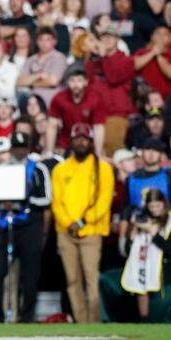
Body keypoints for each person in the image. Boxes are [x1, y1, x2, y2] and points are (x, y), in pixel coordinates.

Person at [51, 124, 115, 324]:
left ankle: (94, 321)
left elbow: (104, 200)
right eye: (77, 139)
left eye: (85, 139)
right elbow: (57, 202)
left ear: (90, 142)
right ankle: (81, 322)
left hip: (91, 231)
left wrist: (82, 221)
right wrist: (69, 223)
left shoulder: (103, 168)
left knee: (91, 278)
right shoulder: (60, 169)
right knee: (72, 280)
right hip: (66, 231)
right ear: (71, 141)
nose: (81, 142)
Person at [0, 130, 51, 323]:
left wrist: (25, 199)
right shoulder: (3, 168)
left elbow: (46, 199)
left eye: (23, 148)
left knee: (30, 274)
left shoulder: (38, 169)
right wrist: (3, 203)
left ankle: (26, 317)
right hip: (8, 223)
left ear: (28, 148)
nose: (20, 151)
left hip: (30, 224)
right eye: (16, 148)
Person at [120, 189, 171, 323]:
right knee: (141, 292)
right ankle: (144, 321)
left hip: (167, 273)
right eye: (151, 206)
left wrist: (152, 231)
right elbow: (128, 251)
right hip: (144, 269)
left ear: (164, 203)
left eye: (157, 206)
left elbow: (169, 248)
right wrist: (133, 231)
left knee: (162, 315)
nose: (154, 210)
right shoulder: (144, 219)